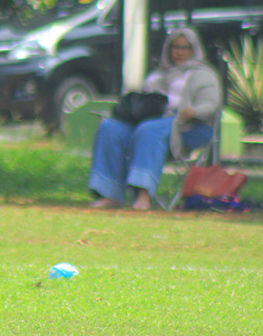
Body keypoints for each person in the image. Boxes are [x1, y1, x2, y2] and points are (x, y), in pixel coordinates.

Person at [88, 27, 222, 210]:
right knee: (110, 128)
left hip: (188, 127)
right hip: (151, 122)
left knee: (149, 130)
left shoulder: (203, 75)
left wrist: (193, 111)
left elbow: (211, 105)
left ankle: (143, 195)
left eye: (185, 47)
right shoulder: (157, 76)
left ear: (194, 49)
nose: (179, 52)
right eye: (175, 47)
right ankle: (110, 194)